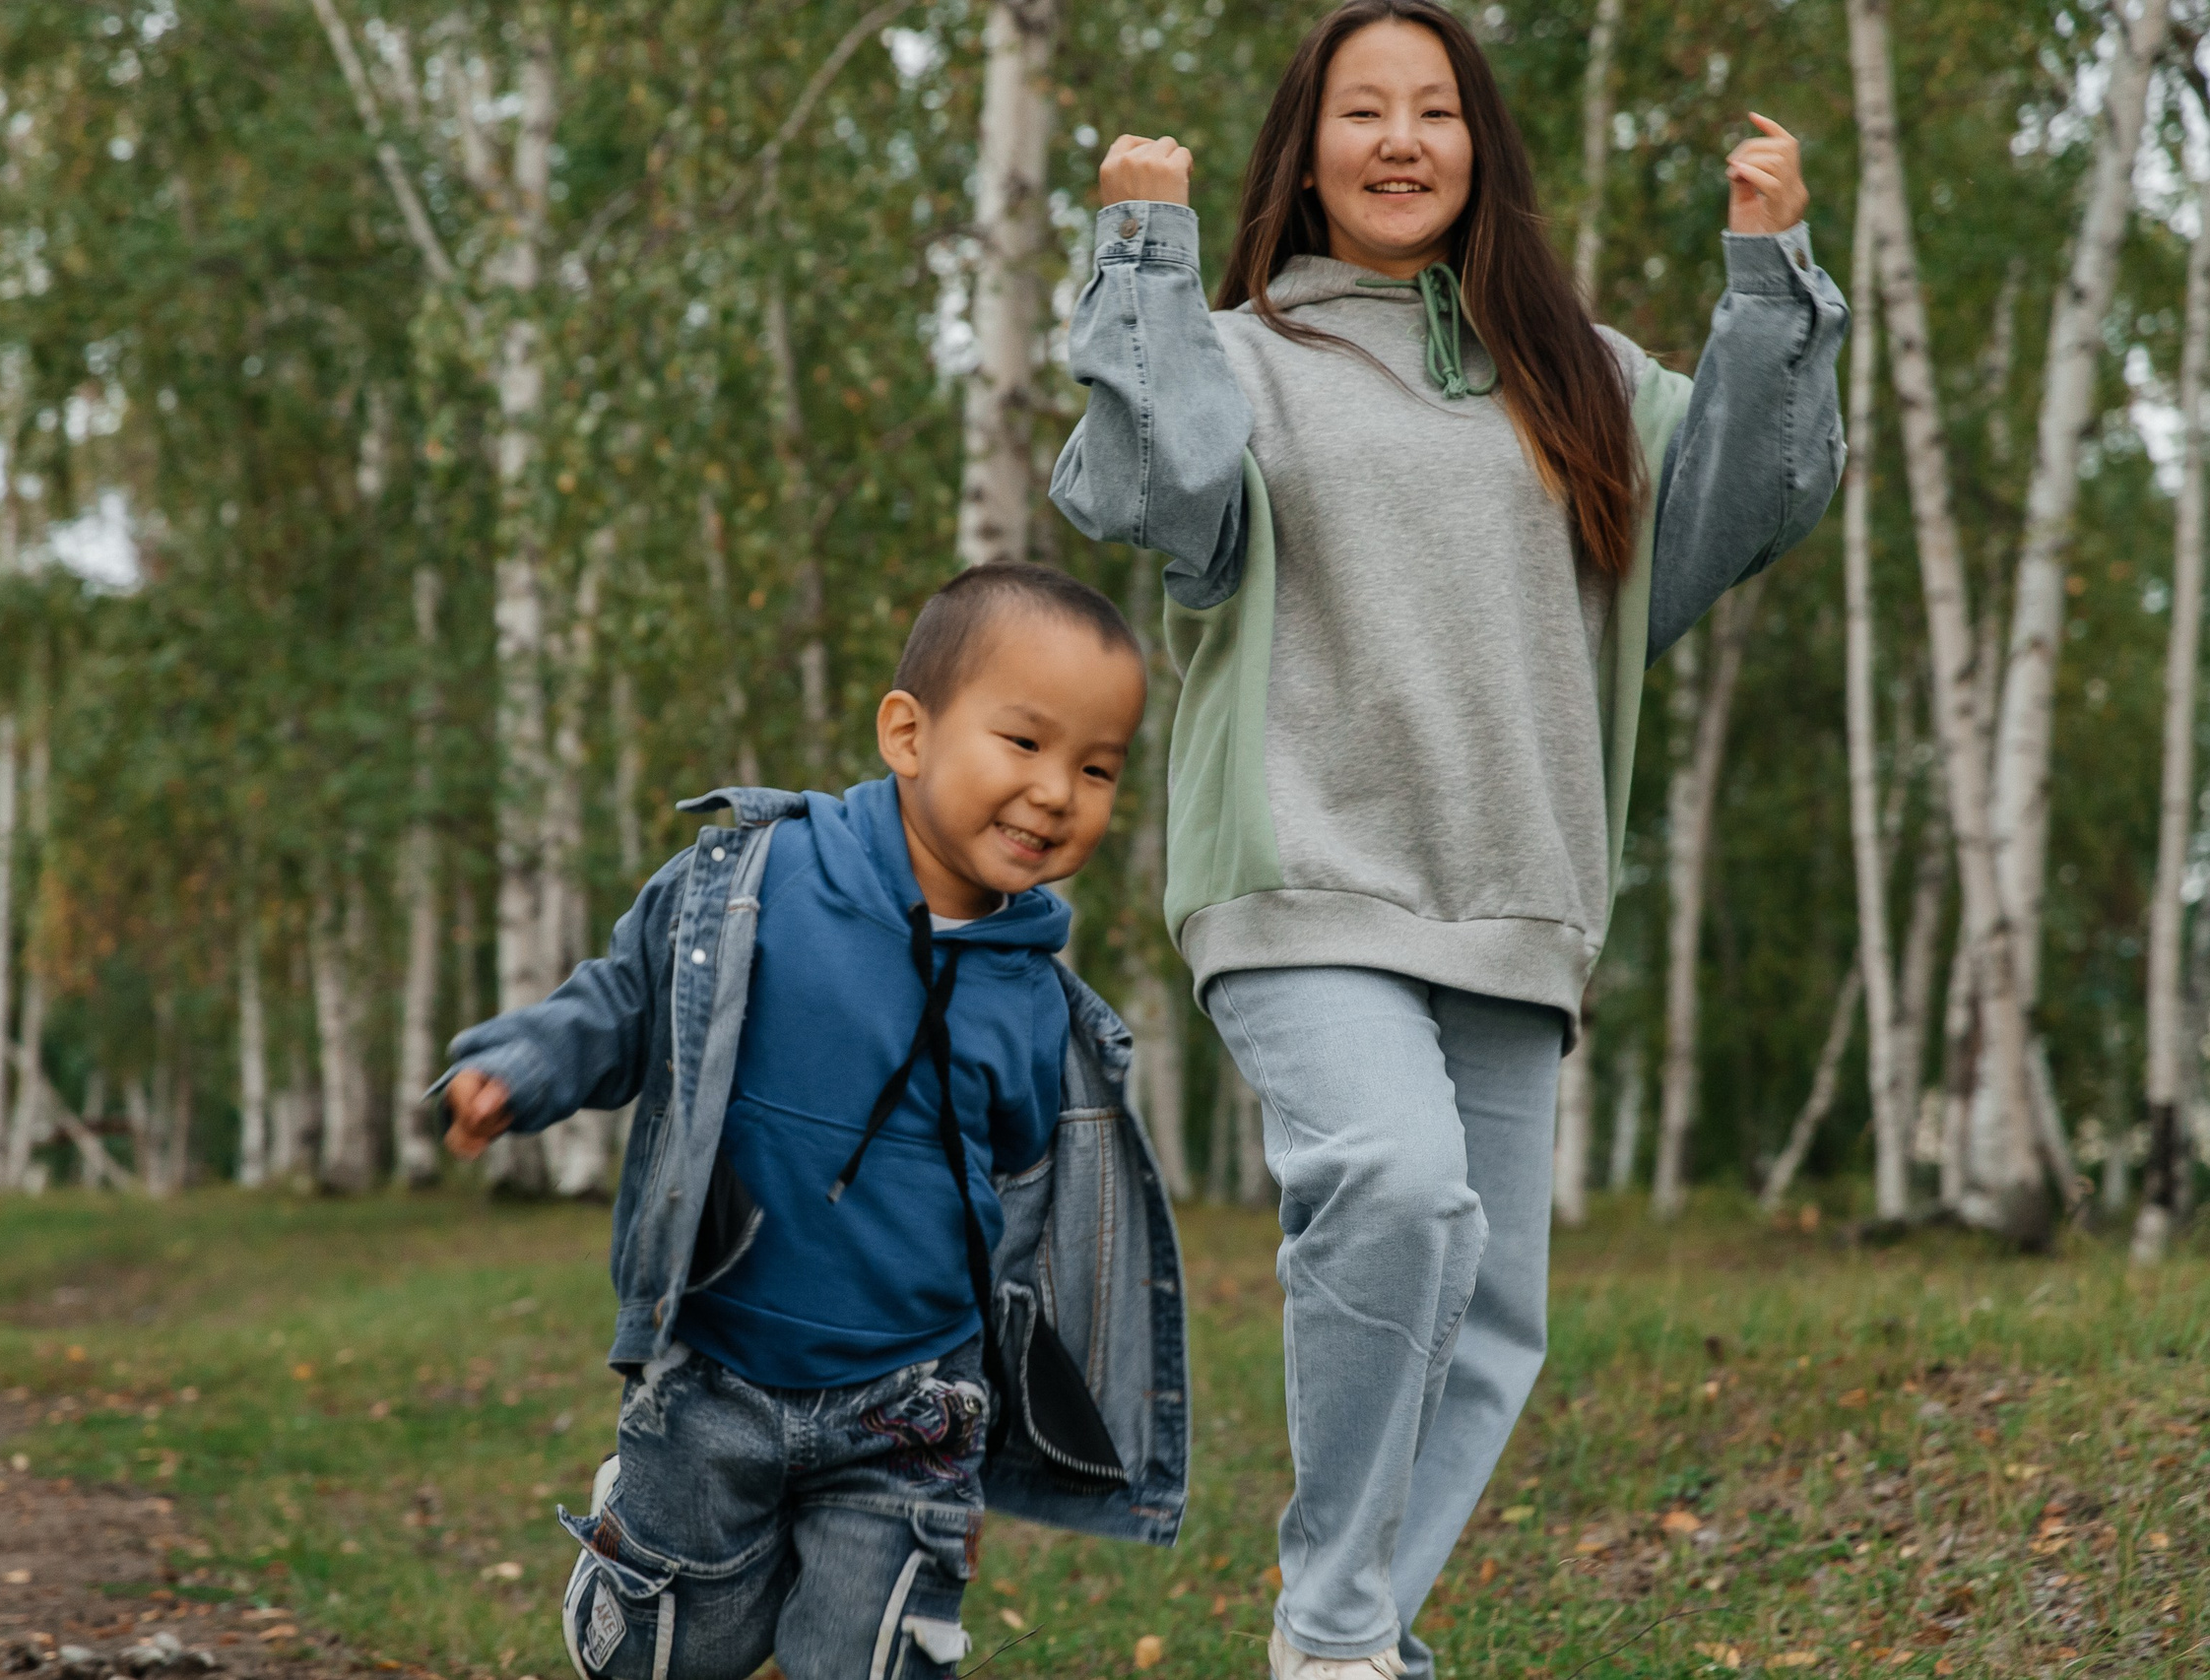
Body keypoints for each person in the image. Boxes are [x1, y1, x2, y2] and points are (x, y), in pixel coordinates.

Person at [1050, 4, 1847, 1677]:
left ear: (1481, 148)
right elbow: (1163, 497)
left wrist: (1769, 286)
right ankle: (1332, 1634)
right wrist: (1139, 250)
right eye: (1363, 111)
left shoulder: (1581, 373)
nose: (1401, 139)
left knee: (1489, 1324)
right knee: (1397, 1189)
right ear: (1308, 148)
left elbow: (1739, 501)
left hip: (1513, 888)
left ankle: (1358, 1639)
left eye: (1435, 110)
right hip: (1306, 876)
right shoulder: (1241, 355)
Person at [434, 562, 1190, 1680]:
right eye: (1023, 743)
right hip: (720, 1369)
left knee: (870, 1658)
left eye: (1096, 768)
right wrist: (518, 1064)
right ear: (907, 733)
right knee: (675, 1652)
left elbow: (1019, 1218)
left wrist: (980, 1416)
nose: (1054, 792)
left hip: (910, 1408)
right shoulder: (756, 881)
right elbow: (623, 1000)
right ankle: (631, 1543)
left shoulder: (1034, 1001)